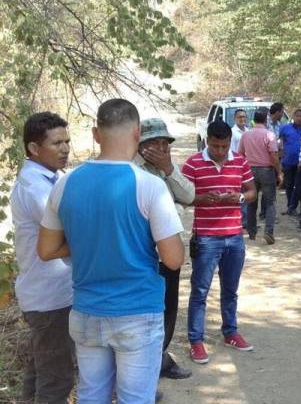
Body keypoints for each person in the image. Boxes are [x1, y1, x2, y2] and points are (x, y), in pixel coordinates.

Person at [37, 98, 185, 403]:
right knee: (135, 398)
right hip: (137, 311)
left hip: (87, 309)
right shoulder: (149, 186)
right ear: (137, 133)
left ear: (95, 133)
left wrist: (87, 239)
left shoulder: (65, 185)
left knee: (92, 395)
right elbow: (173, 258)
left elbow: (46, 249)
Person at [11, 112, 74, 403]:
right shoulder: (35, 186)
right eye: (57, 143)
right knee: (56, 380)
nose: (65, 148)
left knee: (41, 371)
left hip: (51, 294)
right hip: (49, 299)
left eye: (67, 141)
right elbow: (68, 231)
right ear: (34, 149)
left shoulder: (52, 177)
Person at [182, 119, 257, 364]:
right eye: (215, 146)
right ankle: (196, 340)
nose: (220, 151)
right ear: (207, 141)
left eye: (224, 146)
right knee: (200, 291)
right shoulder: (193, 164)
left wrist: (240, 198)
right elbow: (182, 196)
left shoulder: (240, 161)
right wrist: (202, 199)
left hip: (234, 236)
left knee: (230, 290)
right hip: (206, 238)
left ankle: (230, 332)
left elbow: (252, 191)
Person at [134, 118, 195, 380]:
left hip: (169, 254)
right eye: (154, 143)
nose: (161, 148)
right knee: (147, 314)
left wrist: (169, 168)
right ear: (141, 145)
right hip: (146, 256)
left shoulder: (164, 168)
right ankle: (144, 369)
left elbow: (189, 194)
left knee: (169, 308)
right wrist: (178, 209)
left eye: (164, 143)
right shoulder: (134, 171)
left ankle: (159, 359)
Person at [239, 110, 281, 244]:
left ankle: (251, 232)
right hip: (266, 170)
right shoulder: (269, 134)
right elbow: (274, 155)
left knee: (251, 201)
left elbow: (240, 154)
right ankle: (269, 232)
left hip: (250, 170)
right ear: (266, 120)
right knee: (270, 202)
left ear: (253, 119)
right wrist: (279, 172)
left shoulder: (246, 135)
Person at [279, 109, 301, 216]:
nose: (299, 118)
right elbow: (280, 144)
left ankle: (298, 207)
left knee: (300, 185)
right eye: (297, 116)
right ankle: (290, 207)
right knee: (289, 185)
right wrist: (280, 161)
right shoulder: (285, 128)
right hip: (288, 162)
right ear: (293, 116)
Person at [230, 109, 250, 228]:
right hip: (237, 167)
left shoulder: (248, 131)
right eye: (239, 117)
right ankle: (241, 222)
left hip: (248, 166)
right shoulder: (232, 133)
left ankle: (246, 221)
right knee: (239, 194)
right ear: (235, 118)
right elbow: (232, 151)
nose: (242, 119)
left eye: (244, 117)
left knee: (247, 194)